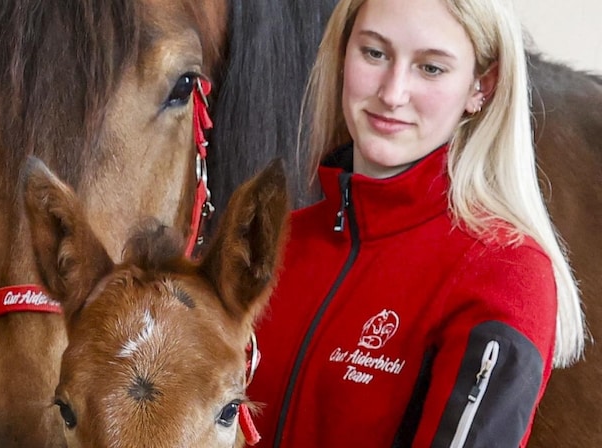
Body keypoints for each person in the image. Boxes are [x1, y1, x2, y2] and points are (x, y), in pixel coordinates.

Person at [247, 0, 586, 446]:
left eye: (430, 68)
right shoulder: (277, 243)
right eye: (375, 53)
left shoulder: (504, 274)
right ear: (343, 54)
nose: (392, 92)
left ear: (481, 86)